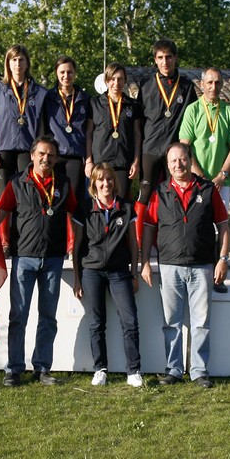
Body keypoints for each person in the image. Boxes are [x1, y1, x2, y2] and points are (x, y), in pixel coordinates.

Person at [140, 143, 229, 388]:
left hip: (202, 266)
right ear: (167, 166)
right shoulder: (160, 191)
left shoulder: (208, 189)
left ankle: (199, 371)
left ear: (190, 160)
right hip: (169, 265)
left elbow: (223, 225)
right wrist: (145, 261)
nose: (178, 165)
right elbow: (149, 227)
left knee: (201, 322)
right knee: (172, 322)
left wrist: (222, 259)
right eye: (172, 162)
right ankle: (174, 369)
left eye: (182, 160)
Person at [0, 136, 77, 387]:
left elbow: (74, 216)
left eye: (51, 155)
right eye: (42, 154)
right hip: (24, 259)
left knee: (48, 317)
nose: (46, 159)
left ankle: (42, 367)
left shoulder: (63, 182)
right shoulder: (17, 182)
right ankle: (14, 369)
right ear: (32, 155)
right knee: (18, 316)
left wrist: (73, 246)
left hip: (52, 258)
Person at [72, 163, 142, 387]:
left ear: (115, 182)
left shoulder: (126, 207)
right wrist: (76, 277)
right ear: (94, 183)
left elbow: (133, 243)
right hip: (91, 271)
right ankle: (100, 369)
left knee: (129, 320)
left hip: (119, 272)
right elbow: (77, 245)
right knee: (96, 323)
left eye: (109, 179)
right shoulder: (84, 208)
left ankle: (133, 371)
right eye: (101, 180)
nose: (106, 184)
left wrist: (134, 274)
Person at [179, 67, 230, 292]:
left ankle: (218, 278)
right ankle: (198, 274)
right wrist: (201, 176)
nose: (213, 87)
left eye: (217, 83)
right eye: (210, 82)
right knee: (199, 226)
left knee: (221, 226)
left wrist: (223, 174)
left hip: (221, 181)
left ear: (222, 85)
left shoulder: (229, 112)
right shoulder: (193, 110)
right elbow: (185, 145)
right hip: (197, 180)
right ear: (202, 85)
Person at [137, 39, 197, 207]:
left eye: (169, 57)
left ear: (175, 58)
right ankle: (139, 233)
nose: (165, 62)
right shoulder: (146, 86)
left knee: (176, 191)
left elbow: (193, 119)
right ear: (155, 59)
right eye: (161, 57)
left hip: (175, 149)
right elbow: (139, 121)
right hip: (150, 148)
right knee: (145, 192)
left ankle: (175, 230)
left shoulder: (187, 87)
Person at [0, 44, 49, 188]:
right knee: (5, 192)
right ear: (8, 63)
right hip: (4, 147)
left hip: (28, 148)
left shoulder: (39, 91)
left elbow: (42, 124)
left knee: (26, 189)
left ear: (27, 63)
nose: (17, 64)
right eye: (14, 60)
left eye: (21, 60)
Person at [85, 62, 142, 200]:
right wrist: (88, 161)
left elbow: (137, 134)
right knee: (100, 202)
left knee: (121, 203)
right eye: (113, 79)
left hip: (123, 162)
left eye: (120, 79)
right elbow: (88, 134)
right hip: (100, 162)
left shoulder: (132, 105)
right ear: (106, 80)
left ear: (125, 80)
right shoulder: (94, 104)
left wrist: (136, 161)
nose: (116, 83)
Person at [44, 55, 90, 202]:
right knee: (54, 198)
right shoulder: (48, 98)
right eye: (62, 72)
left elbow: (89, 132)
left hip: (76, 157)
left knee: (74, 198)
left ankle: (74, 226)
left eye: (69, 72)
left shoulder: (85, 99)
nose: (66, 76)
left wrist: (89, 159)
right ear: (56, 73)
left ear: (75, 73)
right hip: (54, 157)